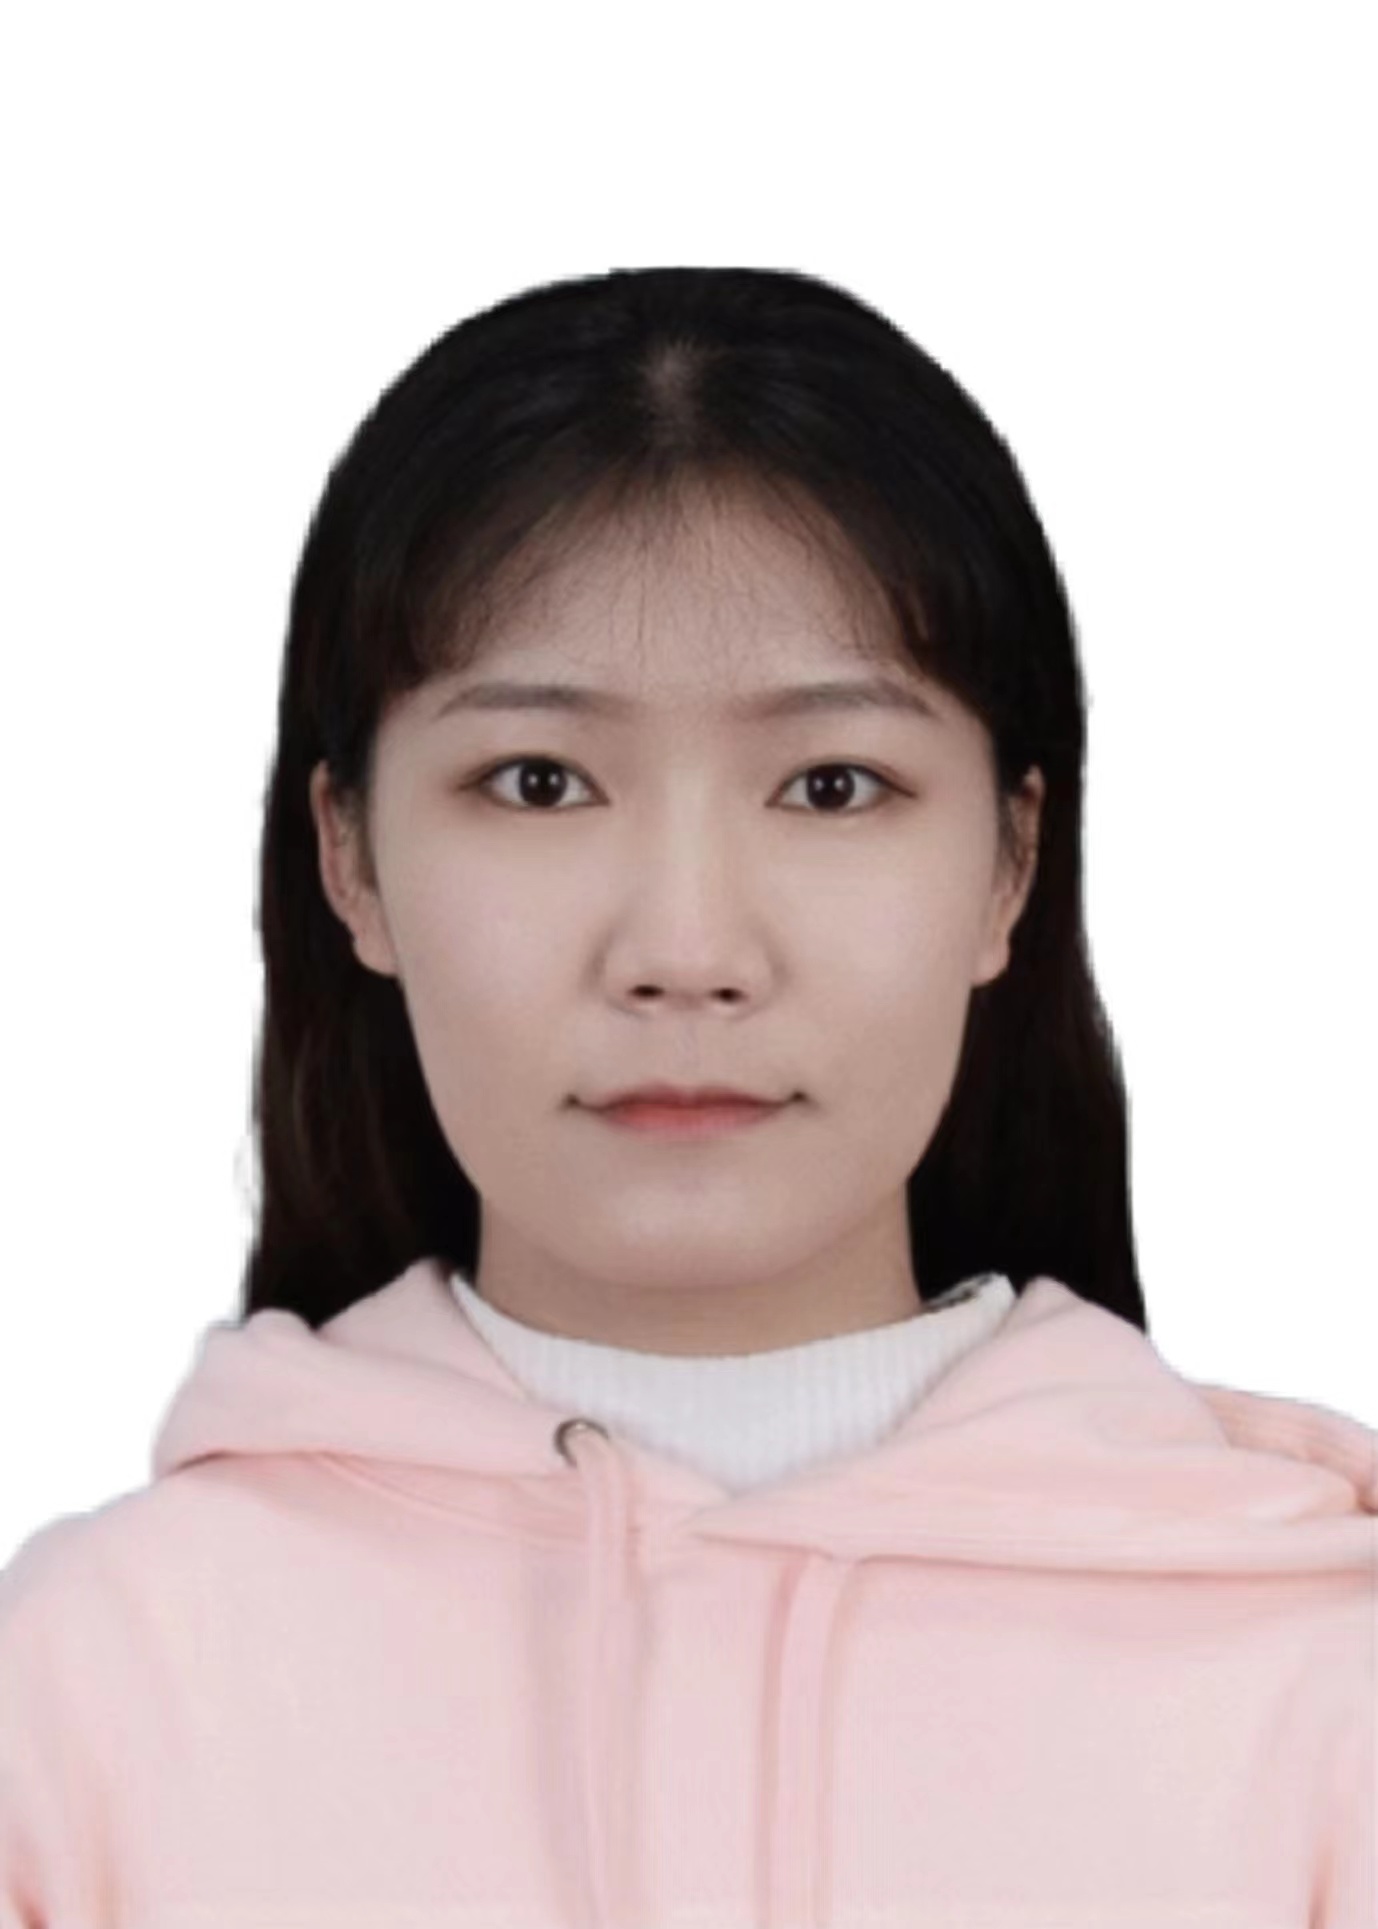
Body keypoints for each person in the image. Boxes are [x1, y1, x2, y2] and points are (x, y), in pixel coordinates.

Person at [1, 265, 1371, 1927]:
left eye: (831, 784)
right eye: (537, 781)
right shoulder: (83, 1697)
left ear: (1009, 865)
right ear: (348, 857)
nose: (685, 950)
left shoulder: (1320, 1692)